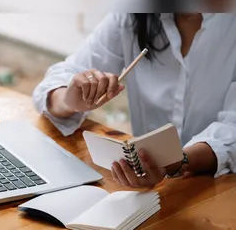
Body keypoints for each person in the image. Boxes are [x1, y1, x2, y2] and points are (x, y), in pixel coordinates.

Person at [32, 13, 236, 188]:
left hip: (220, 187)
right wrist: (69, 100)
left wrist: (175, 162)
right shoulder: (134, 14)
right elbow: (60, 79)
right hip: (145, 186)